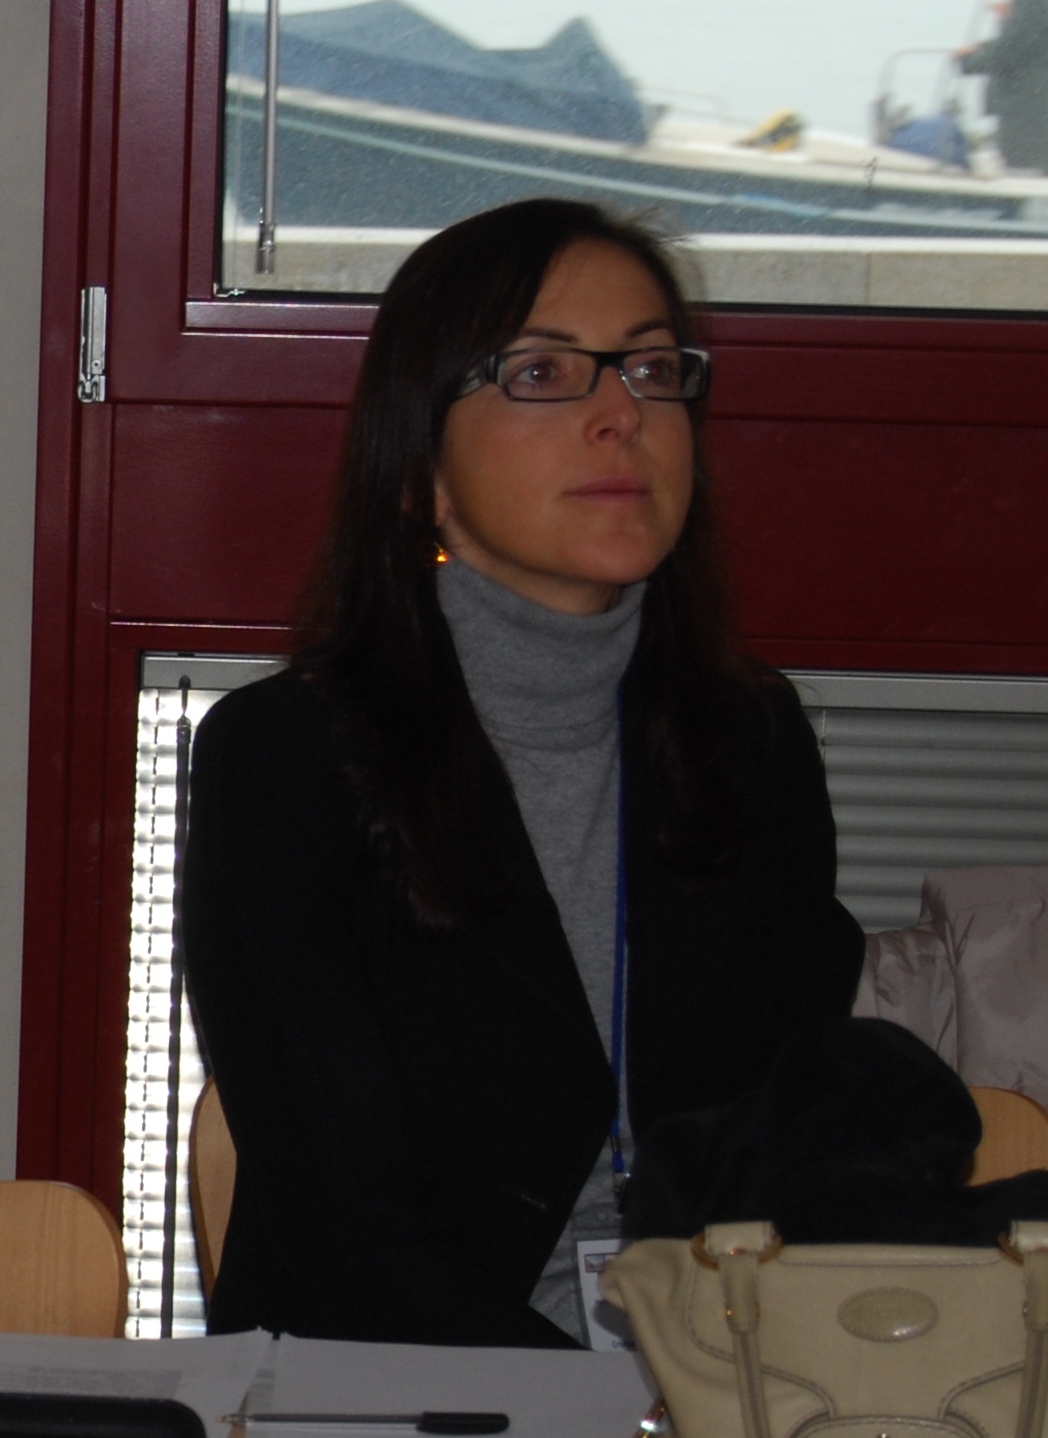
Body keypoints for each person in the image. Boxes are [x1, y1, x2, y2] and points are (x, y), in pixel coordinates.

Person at [181, 197, 865, 1349]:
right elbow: (347, 1221)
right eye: (542, 373)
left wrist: (713, 1385)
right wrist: (589, 1403)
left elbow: (779, 1148)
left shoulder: (751, 741)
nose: (620, 414)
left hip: (710, 1369)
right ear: (422, 470)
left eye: (652, 370)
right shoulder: (284, 758)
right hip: (399, 1382)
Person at [957, 0, 1048, 172]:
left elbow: (1010, 51)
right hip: (1032, 104)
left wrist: (969, 59)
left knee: (1025, 170)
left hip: (1030, 106)